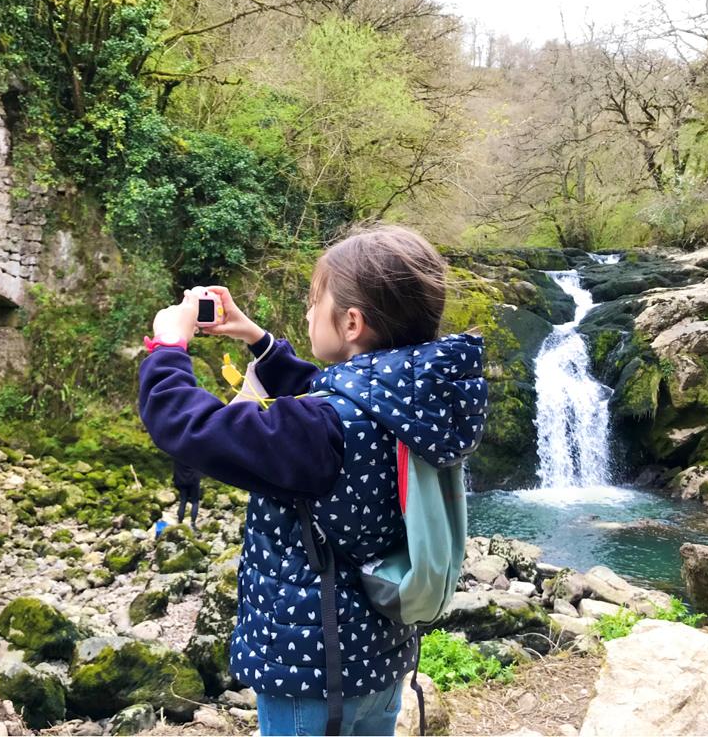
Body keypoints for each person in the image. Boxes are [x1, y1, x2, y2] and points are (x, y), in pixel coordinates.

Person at [138, 224, 487, 736]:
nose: (305, 313)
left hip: (312, 677)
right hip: (382, 657)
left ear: (350, 322)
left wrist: (169, 347)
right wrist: (257, 340)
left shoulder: (321, 431)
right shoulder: (420, 405)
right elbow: (347, 393)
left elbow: (185, 423)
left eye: (313, 300)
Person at [172, 461, 201, 529]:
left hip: (181, 480)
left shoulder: (178, 456)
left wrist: (175, 480)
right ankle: (192, 523)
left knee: (183, 501)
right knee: (195, 502)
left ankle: (180, 521)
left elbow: (175, 469)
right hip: (193, 481)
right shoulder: (194, 457)